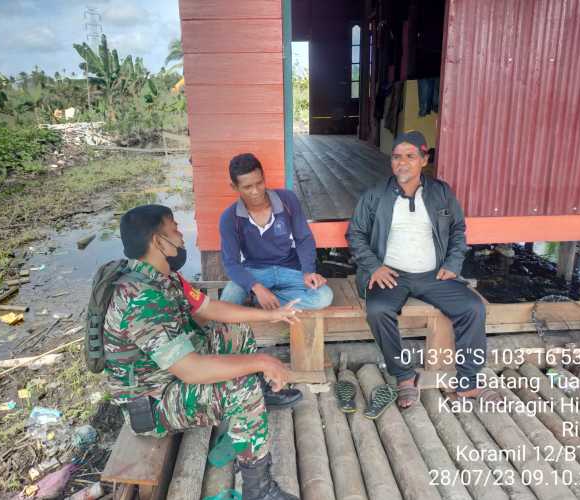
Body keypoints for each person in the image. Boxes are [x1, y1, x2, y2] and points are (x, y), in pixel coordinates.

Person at [104, 204, 301, 500]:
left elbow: (209, 308)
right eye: (174, 228)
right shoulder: (142, 299)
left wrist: (271, 316)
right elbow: (190, 370)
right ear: (158, 242)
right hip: (152, 402)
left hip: (168, 375)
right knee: (242, 387)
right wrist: (260, 361)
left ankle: (258, 397)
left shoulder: (161, 277)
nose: (182, 235)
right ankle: (258, 489)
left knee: (233, 331)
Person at [346, 131, 500, 409]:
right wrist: (374, 267)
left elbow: (457, 230)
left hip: (433, 275)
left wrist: (453, 264)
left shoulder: (441, 192)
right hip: (391, 274)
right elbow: (355, 234)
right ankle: (404, 376)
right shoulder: (375, 195)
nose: (402, 163)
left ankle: (468, 381)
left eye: (410, 156)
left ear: (424, 160)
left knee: (472, 308)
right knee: (378, 311)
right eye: (396, 157)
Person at [219, 153, 333, 311]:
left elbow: (304, 238)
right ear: (234, 187)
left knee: (324, 297)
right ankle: (262, 296)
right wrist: (257, 287)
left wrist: (308, 271)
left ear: (264, 178)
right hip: (255, 273)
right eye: (247, 187)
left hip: (291, 269)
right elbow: (231, 263)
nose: (255, 191)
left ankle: (260, 301)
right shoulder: (229, 218)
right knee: (229, 299)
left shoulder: (287, 200)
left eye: (259, 183)